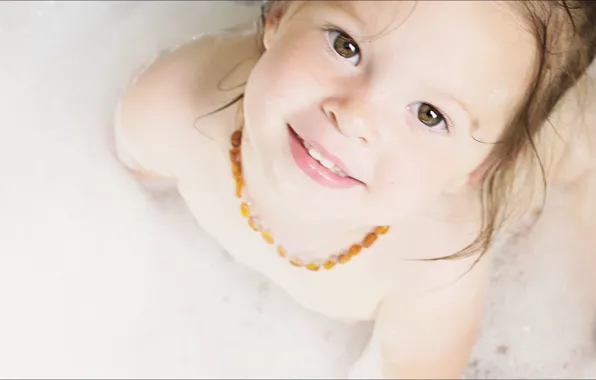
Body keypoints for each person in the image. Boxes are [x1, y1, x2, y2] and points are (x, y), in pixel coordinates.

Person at [114, 1, 596, 378]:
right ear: (280, 15)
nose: (355, 116)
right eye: (345, 45)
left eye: (430, 114)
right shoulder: (174, 104)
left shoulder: (433, 273)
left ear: (475, 168)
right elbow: (129, 179)